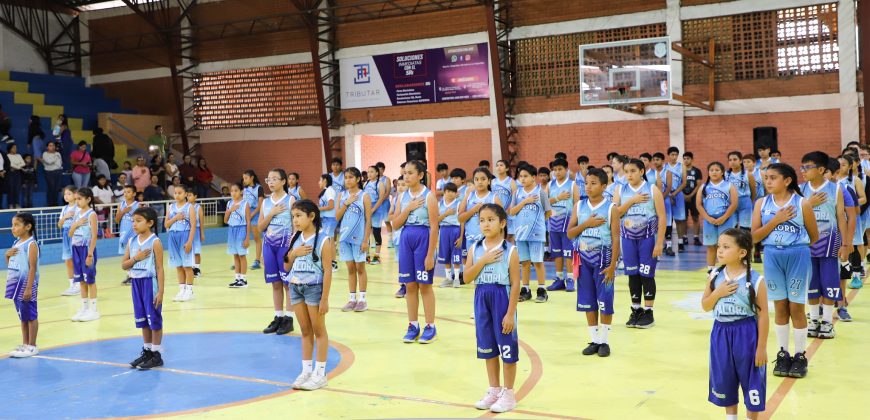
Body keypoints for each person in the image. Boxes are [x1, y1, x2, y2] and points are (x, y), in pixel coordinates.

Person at [750, 163, 818, 379]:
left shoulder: (802, 203)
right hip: (771, 256)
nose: (768, 182)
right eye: (766, 178)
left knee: (797, 307)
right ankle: (783, 353)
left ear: (787, 180)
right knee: (779, 306)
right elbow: (754, 237)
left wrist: (794, 244)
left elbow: (814, 236)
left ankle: (799, 355)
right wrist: (777, 220)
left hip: (797, 255)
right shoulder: (761, 204)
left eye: (773, 178)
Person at [701, 228, 768, 419]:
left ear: (742, 253)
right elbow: (705, 306)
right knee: (725, 380)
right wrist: (717, 293)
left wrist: (761, 347)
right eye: (719, 246)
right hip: (720, 332)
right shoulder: (715, 276)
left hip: (746, 333)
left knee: (752, 383)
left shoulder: (756, 280)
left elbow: (763, 316)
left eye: (726, 247)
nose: (720, 251)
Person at [466, 203, 520, 413]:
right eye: (482, 220)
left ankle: (509, 393)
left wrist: (509, 314)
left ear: (502, 223)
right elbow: (466, 277)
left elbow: (516, 284)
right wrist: (483, 260)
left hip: (502, 298)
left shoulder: (511, 250)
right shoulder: (475, 248)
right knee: (487, 348)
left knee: (506, 348)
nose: (486, 224)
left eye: (491, 220)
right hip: (481, 296)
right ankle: (494, 389)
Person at [567, 168, 620, 357]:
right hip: (583, 260)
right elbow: (570, 232)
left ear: (604, 186)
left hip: (604, 259)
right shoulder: (579, 206)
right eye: (586, 183)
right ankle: (594, 339)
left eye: (593, 183)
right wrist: (586, 224)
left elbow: (615, 238)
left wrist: (613, 265)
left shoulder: (611, 207)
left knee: (605, 301)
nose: (588, 187)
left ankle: (605, 341)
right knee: (588, 301)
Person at [284, 199, 333, 391]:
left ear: (311, 216)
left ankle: (320, 373)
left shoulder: (324, 239)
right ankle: (306, 370)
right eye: (293, 216)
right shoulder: (294, 239)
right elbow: (286, 265)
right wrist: (293, 253)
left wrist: (325, 298)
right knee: (304, 330)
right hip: (295, 287)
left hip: (314, 288)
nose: (295, 220)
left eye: (298, 216)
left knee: (318, 330)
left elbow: (328, 270)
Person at [800, 152, 849, 340]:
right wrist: (809, 204)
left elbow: (841, 217)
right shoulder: (800, 190)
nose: (803, 171)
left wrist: (845, 244)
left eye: (807, 167)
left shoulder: (835, 189)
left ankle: (827, 322)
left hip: (830, 242)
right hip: (807, 244)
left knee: (829, 282)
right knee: (811, 283)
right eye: (802, 167)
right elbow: (795, 215)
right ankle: (813, 319)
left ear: (820, 170)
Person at [615, 158, 666, 329]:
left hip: (647, 239)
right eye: (627, 171)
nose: (629, 175)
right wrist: (632, 201)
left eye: (633, 171)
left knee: (646, 275)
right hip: (628, 239)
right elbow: (616, 214)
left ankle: (649, 312)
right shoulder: (620, 189)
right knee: (633, 275)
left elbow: (662, 217)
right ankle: (636, 309)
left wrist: (659, 243)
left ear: (641, 171)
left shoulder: (652, 190)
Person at [392, 161, 439, 343]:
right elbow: (395, 224)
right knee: (410, 285)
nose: (406, 176)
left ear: (420, 175)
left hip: (423, 238)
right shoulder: (401, 196)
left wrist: (430, 255)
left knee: (424, 286)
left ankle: (430, 326)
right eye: (405, 173)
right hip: (405, 239)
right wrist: (408, 208)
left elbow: (435, 227)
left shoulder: (429, 196)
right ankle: (413, 324)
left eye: (411, 173)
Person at [122, 207, 166, 370]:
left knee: (153, 318)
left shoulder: (155, 242)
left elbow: (160, 268)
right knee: (142, 319)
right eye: (133, 221)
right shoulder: (132, 241)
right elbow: (123, 264)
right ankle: (147, 350)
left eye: (138, 221)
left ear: (150, 223)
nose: (134, 224)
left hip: (150, 283)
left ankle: (156, 354)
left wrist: (161, 291)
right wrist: (136, 258)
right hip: (136, 283)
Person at [259, 169, 296, 335]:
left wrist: (293, 250)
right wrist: (271, 213)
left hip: (285, 246)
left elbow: (297, 227)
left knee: (287, 283)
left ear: (283, 181)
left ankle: (289, 318)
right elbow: (260, 227)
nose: (271, 182)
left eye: (275, 179)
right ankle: (278, 316)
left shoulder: (290, 200)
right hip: (269, 246)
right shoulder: (265, 203)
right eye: (269, 179)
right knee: (275, 283)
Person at [509, 165, 551, 303]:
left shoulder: (541, 192)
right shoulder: (517, 194)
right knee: (525, 262)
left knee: (538, 262)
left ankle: (542, 289)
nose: (522, 179)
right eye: (520, 176)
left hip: (536, 234)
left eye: (525, 176)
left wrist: (538, 225)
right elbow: (512, 211)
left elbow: (548, 212)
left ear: (534, 177)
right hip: (520, 234)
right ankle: (526, 289)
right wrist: (525, 201)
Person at [458, 167, 501, 289]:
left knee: (491, 272)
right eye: (476, 179)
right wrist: (474, 210)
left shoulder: (494, 198)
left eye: (483, 179)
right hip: (472, 242)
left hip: (490, 241)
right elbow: (460, 218)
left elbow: (503, 220)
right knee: (477, 273)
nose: (480, 182)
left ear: (489, 181)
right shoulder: (468, 197)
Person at [337, 167, 372, 312]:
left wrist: (366, 240)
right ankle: (352, 299)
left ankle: (362, 300)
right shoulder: (341, 196)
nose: (348, 180)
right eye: (346, 177)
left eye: (351, 177)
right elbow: (337, 217)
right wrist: (346, 203)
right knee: (350, 269)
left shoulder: (364, 196)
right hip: (344, 238)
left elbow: (368, 219)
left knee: (360, 268)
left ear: (358, 179)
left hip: (359, 238)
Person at [5, 212, 40, 358]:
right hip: (15, 285)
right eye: (13, 225)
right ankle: (25, 344)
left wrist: (28, 288)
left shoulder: (31, 244)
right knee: (23, 316)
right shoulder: (16, 243)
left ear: (28, 226)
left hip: (26, 285)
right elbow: (12, 265)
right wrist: (7, 255)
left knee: (31, 316)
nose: (13, 228)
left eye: (16, 225)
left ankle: (32, 346)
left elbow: (32, 268)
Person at [698, 162, 739, 272]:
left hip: (726, 219)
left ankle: (726, 269)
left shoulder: (729, 185)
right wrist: (707, 218)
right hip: (709, 220)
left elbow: (734, 203)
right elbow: (698, 205)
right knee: (711, 246)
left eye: (717, 170)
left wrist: (724, 217)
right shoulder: (704, 187)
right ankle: (710, 270)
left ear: (722, 172)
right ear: (708, 173)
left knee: (726, 245)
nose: (714, 172)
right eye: (711, 170)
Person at [546, 158, 580, 292]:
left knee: (568, 253)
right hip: (553, 225)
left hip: (568, 225)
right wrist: (558, 198)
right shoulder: (549, 185)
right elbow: (545, 202)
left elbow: (577, 204)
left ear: (566, 170)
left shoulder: (573, 185)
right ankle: (559, 279)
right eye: (555, 170)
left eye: (560, 169)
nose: (557, 172)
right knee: (557, 254)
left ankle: (570, 279)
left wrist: (575, 223)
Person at [69, 188, 100, 322]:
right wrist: (75, 224)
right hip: (76, 248)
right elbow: (69, 234)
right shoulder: (76, 213)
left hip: (86, 249)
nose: (77, 201)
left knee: (90, 280)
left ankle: (93, 310)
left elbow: (94, 236)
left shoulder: (91, 214)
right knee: (81, 280)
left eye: (80, 199)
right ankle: (84, 307)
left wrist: (90, 254)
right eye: (76, 199)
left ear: (88, 199)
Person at [165, 184, 196, 302]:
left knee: (187, 266)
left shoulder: (190, 207)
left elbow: (193, 226)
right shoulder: (171, 207)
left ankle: (189, 291)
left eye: (180, 193)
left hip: (185, 236)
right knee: (178, 265)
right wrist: (175, 218)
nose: (177, 195)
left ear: (185, 194)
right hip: (173, 237)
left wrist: (189, 241)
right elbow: (166, 224)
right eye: (175, 193)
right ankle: (181, 290)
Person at [225, 183, 251, 288]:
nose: (233, 193)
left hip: (241, 230)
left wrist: (247, 237)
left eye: (236, 190)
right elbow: (225, 220)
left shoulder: (245, 204)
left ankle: (243, 280)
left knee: (242, 255)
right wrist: (230, 210)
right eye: (232, 191)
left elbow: (248, 221)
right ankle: (237, 278)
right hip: (232, 230)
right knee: (235, 255)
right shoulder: (229, 203)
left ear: (241, 191)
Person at [437, 183, 463, 288]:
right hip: (443, 230)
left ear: (456, 193)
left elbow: (462, 221)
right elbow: (436, 220)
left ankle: (456, 278)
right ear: (444, 192)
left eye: (453, 191)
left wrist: (461, 236)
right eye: (448, 191)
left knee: (456, 254)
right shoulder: (440, 204)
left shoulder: (458, 204)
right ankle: (448, 278)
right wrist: (446, 213)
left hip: (455, 229)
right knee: (445, 255)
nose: (450, 193)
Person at [664, 147, 688, 253]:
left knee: (680, 220)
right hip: (666, 195)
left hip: (678, 195)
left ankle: (680, 242)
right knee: (667, 220)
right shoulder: (665, 167)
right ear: (668, 155)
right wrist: (668, 194)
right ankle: (668, 244)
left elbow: (684, 183)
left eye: (676, 155)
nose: (674, 157)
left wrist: (674, 193)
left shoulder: (682, 166)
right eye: (672, 154)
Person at [726, 152, 757, 233]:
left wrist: (749, 202)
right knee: (732, 229)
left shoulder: (748, 175)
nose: (732, 162)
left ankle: (745, 245)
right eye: (730, 160)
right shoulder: (725, 175)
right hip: (731, 202)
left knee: (745, 229)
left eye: (735, 159)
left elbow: (753, 191)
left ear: (740, 161)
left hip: (744, 202)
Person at [364, 166, 388, 265]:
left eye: (372, 172)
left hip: (376, 210)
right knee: (366, 232)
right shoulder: (366, 183)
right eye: (368, 172)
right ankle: (366, 255)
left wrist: (373, 209)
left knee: (376, 232)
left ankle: (377, 256)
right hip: (367, 208)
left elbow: (381, 198)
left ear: (377, 173)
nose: (369, 174)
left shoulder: (380, 183)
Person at [58, 186, 80, 296]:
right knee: (68, 261)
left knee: (76, 260)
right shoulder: (64, 209)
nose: (66, 196)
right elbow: (59, 225)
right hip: (66, 235)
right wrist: (65, 217)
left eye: (69, 194)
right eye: (65, 194)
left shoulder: (79, 207)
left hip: (75, 235)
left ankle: (79, 284)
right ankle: (72, 285)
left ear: (75, 194)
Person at [116, 185, 139, 286]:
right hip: (123, 233)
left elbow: (139, 220)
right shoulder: (121, 205)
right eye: (124, 192)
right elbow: (117, 220)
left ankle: (133, 275)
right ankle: (130, 275)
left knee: (133, 255)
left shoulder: (137, 205)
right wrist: (123, 211)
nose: (126, 194)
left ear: (134, 194)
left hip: (133, 233)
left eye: (128, 192)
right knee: (126, 255)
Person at [243, 170, 266, 271]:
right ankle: (240, 258)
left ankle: (257, 260)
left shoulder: (259, 188)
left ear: (252, 178)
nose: (244, 180)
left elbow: (260, 204)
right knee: (242, 237)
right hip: (246, 214)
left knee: (257, 238)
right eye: (243, 178)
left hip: (256, 214)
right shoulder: (244, 189)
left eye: (246, 178)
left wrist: (251, 214)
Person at [317, 174, 338, 273]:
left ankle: (333, 263)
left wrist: (318, 208)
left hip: (330, 218)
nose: (318, 182)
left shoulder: (330, 190)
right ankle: (329, 262)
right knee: (328, 239)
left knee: (329, 240)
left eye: (320, 180)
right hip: (325, 219)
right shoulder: (326, 191)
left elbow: (330, 206)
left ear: (325, 180)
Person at [391, 177, 408, 298]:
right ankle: (403, 284)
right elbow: (390, 216)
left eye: (403, 184)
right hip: (397, 234)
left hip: (408, 233)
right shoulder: (395, 199)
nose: (400, 187)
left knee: (409, 260)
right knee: (401, 261)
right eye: (399, 185)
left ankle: (410, 285)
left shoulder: (412, 199)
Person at [493, 160, 517, 241]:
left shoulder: (511, 181)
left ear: (507, 168)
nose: (498, 167)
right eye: (497, 165)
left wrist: (509, 209)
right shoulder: (493, 182)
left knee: (509, 236)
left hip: (509, 213)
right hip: (497, 213)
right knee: (499, 235)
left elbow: (515, 197)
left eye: (501, 165)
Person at [683, 152, 703, 246]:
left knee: (695, 217)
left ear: (692, 159)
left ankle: (696, 237)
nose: (686, 160)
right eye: (684, 158)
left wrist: (690, 195)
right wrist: (683, 195)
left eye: (688, 158)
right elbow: (678, 184)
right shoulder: (680, 171)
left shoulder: (697, 171)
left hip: (694, 197)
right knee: (683, 218)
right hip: (682, 197)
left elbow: (699, 185)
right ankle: (684, 237)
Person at [186, 189, 205, 278]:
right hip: (187, 231)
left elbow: (201, 222)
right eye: (188, 195)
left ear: (195, 196)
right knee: (188, 250)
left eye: (190, 195)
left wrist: (202, 233)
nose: (188, 197)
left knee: (196, 251)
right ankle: (190, 267)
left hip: (196, 231)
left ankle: (197, 268)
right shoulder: (185, 207)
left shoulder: (198, 207)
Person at [42, 142, 63, 207]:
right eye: (50, 145)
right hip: (49, 172)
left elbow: (60, 163)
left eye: (53, 145)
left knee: (56, 188)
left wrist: (54, 159)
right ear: (47, 147)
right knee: (51, 187)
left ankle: (55, 202)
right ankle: (50, 203)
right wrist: (55, 158)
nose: (52, 147)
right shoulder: (45, 154)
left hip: (58, 171)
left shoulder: (58, 153)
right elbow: (49, 162)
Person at [6, 144, 23, 208]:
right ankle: (10, 204)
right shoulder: (7, 156)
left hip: (17, 173)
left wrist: (16, 167)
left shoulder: (18, 155)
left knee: (17, 189)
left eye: (16, 147)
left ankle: (17, 204)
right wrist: (17, 166)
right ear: (10, 149)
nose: (15, 149)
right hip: (10, 174)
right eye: (13, 148)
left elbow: (23, 163)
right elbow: (9, 164)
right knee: (11, 189)